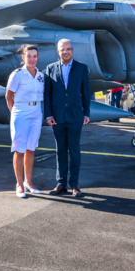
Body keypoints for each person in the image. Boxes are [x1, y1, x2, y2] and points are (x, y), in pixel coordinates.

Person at [44, 38, 91, 197]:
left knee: (75, 151)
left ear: (72, 50)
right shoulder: (50, 69)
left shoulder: (82, 68)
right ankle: (61, 183)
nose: (66, 52)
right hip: (57, 118)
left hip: (75, 116)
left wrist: (86, 113)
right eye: (63, 49)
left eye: (69, 49)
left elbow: (86, 92)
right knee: (60, 151)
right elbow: (47, 94)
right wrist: (48, 114)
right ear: (58, 52)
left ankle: (75, 184)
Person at [6, 45, 44, 199]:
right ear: (23, 58)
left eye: (34, 56)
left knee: (31, 149)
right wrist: (15, 114)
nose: (32, 59)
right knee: (20, 149)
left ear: (38, 58)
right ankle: (19, 184)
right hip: (21, 112)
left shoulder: (41, 75)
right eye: (29, 56)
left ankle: (29, 182)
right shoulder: (17, 75)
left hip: (36, 113)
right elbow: (9, 96)